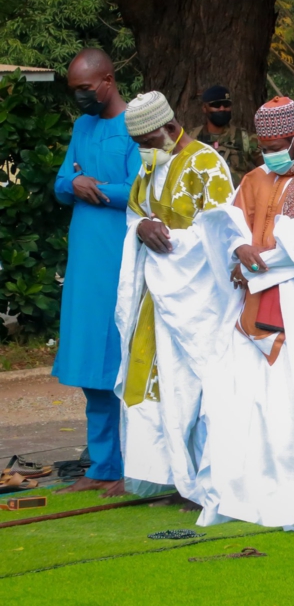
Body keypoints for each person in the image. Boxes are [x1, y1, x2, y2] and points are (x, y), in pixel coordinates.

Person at [197, 96, 294, 529]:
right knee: (245, 400)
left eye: (277, 144)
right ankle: (251, 494)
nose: (269, 154)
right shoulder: (254, 178)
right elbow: (228, 226)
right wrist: (238, 250)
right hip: (250, 308)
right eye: (264, 146)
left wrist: (256, 261)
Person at [115, 91, 234, 506]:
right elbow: (135, 213)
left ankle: (201, 482)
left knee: (196, 387)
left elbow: (222, 232)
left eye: (148, 141)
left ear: (169, 128)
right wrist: (142, 227)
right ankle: (168, 477)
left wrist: (173, 242)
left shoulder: (206, 163)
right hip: (157, 299)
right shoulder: (151, 165)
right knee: (151, 385)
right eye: (139, 145)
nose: (144, 150)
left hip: (199, 301)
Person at [52, 48, 140, 496]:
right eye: (75, 91)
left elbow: (140, 191)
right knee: (90, 367)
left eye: (85, 89)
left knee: (121, 365)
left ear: (107, 80)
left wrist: (94, 185)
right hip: (85, 264)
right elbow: (62, 184)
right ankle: (103, 465)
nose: (80, 99)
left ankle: (133, 465)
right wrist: (75, 182)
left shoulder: (135, 126)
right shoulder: (82, 127)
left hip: (119, 260)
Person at [188, 85, 257, 185]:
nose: (222, 109)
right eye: (216, 105)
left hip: (236, 198)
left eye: (226, 105)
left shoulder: (245, 138)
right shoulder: (191, 138)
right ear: (204, 108)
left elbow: (267, 167)